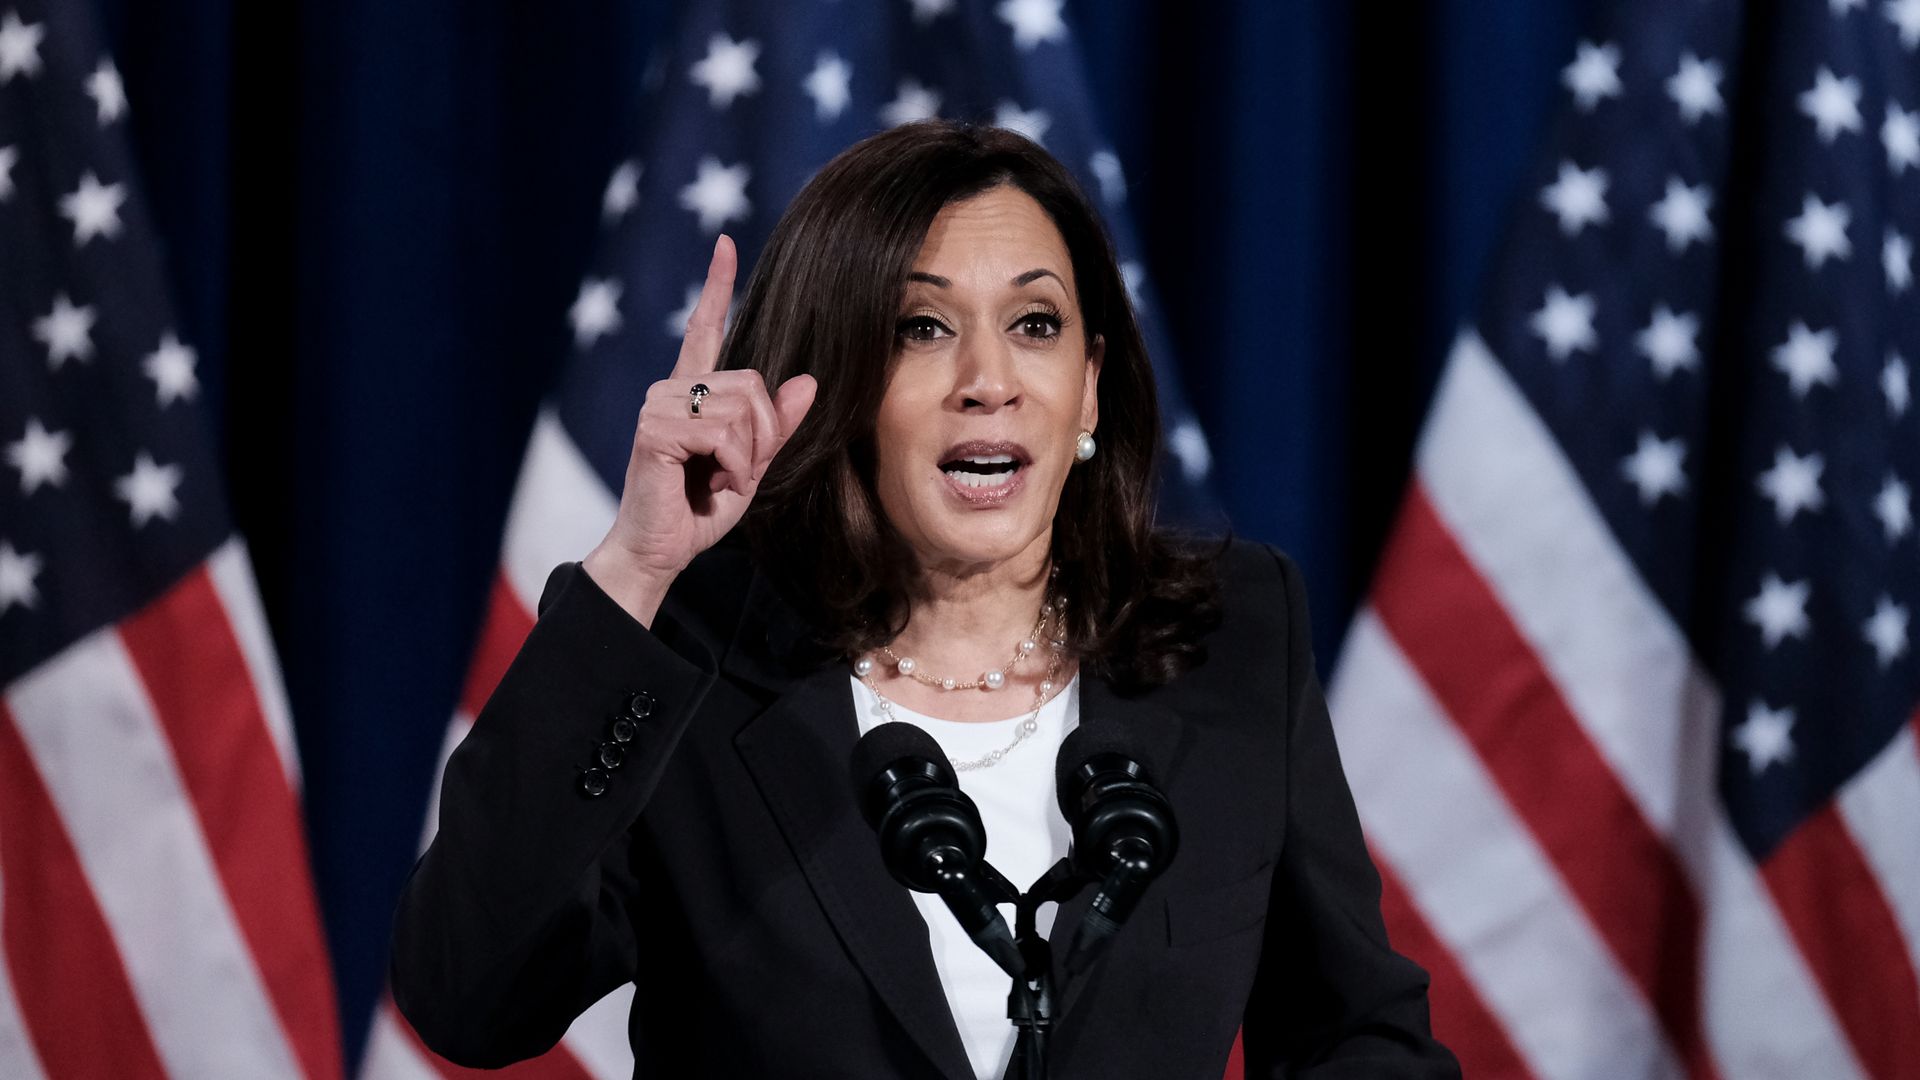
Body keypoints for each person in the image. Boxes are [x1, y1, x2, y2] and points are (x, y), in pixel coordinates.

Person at [390, 121, 1459, 1079]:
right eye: (921, 328)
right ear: (835, 384)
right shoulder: (696, 657)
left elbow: (1354, 1032)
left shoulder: (1231, 634)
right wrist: (637, 565)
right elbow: (468, 997)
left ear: (1090, 384)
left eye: (1035, 325)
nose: (988, 379)